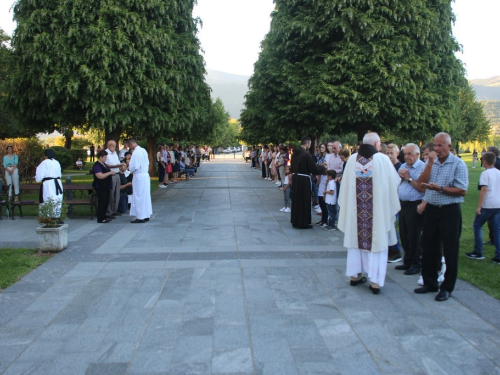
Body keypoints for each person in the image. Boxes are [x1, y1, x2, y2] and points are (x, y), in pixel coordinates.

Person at [338, 132, 401, 294]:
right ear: (377, 143)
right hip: (377, 216)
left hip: (355, 216)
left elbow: (344, 187)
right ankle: (375, 282)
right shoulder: (383, 159)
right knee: (377, 246)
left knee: (355, 243)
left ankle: (355, 276)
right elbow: (394, 182)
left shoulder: (352, 159)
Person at [416, 132, 468, 302]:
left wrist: (440, 188)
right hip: (432, 210)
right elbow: (420, 185)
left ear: (449, 146)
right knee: (429, 246)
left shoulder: (458, 164)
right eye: (435, 146)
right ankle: (430, 282)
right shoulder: (432, 163)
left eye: (440, 146)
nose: (437, 149)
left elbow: (462, 190)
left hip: (449, 211)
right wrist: (430, 163)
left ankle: (447, 287)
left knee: (450, 249)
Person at [395, 143, 426, 275]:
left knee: (414, 235)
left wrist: (408, 178)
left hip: (415, 204)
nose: (406, 157)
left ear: (417, 155)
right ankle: (407, 260)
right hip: (403, 204)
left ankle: (416, 262)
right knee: (404, 233)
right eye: (405, 154)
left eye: (409, 154)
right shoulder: (403, 166)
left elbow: (421, 187)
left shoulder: (421, 167)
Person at [466, 152, 500, 264]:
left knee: (477, 225)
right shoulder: (498, 172)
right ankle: (498, 256)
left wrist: (479, 206)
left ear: (484, 161)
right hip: (497, 204)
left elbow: (484, 190)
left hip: (488, 204)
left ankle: (478, 251)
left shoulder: (486, 174)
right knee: (496, 229)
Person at [290, 138, 326, 229]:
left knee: (296, 200)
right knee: (304, 200)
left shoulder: (294, 153)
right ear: (307, 144)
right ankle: (303, 222)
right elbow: (313, 168)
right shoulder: (306, 154)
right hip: (304, 179)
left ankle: (295, 221)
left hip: (296, 178)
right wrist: (322, 168)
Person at [128, 138, 153, 223]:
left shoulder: (136, 152)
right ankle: (146, 214)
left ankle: (140, 216)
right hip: (145, 175)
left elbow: (134, 166)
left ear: (131, 145)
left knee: (139, 196)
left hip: (139, 175)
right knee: (145, 195)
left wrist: (129, 167)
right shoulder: (143, 150)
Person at [386, 144, 403, 263]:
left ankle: (396, 250)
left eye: (391, 153)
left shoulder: (400, 167)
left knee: (392, 224)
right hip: (386, 200)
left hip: (396, 200)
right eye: (387, 153)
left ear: (397, 153)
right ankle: (390, 248)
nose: (389, 156)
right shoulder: (386, 166)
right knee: (388, 225)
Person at [35, 149, 64, 218]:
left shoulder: (45, 162)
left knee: (49, 198)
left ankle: (48, 217)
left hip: (49, 184)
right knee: (57, 199)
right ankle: (56, 216)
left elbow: (39, 176)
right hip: (58, 182)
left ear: (45, 156)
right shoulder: (57, 162)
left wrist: (37, 177)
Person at [92, 150, 115, 223]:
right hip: (101, 187)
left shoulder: (104, 164)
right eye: (105, 157)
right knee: (102, 202)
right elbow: (99, 176)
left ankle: (104, 216)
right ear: (100, 157)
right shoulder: (97, 165)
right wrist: (109, 173)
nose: (106, 158)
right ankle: (101, 218)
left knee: (106, 202)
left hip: (106, 186)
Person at [105, 141, 124, 218]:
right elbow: (106, 165)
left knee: (117, 193)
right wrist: (117, 165)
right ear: (109, 146)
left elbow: (117, 162)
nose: (114, 148)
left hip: (117, 173)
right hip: (111, 174)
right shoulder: (106, 153)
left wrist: (120, 165)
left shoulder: (115, 153)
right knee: (111, 194)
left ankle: (114, 210)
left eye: (115, 146)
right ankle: (109, 212)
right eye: (113, 146)